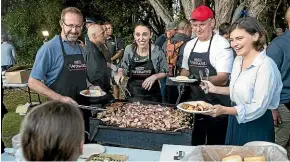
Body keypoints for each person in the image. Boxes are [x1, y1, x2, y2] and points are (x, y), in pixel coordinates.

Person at [201, 17, 283, 146]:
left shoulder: (266, 66)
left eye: (239, 38)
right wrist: (214, 89)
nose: (234, 44)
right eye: (232, 40)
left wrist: (225, 110)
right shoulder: (238, 60)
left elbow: (258, 107)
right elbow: (237, 89)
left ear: (255, 36)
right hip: (236, 120)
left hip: (257, 124)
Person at [28, 7, 96, 135]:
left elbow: (80, 76)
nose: (74, 30)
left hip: (81, 111)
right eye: (70, 25)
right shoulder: (49, 48)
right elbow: (33, 82)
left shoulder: (81, 48)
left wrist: (91, 86)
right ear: (61, 24)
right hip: (59, 113)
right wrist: (60, 98)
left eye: (78, 26)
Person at [180, 5, 234, 145]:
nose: (198, 29)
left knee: (215, 146)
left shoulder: (221, 45)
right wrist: (180, 78)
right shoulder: (189, 45)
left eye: (202, 24)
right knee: (193, 143)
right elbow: (185, 71)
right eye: (195, 25)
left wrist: (200, 80)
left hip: (217, 105)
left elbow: (223, 78)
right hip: (193, 103)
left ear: (212, 23)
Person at [116, 22, 169, 102]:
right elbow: (123, 67)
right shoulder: (129, 50)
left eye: (144, 34)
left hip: (153, 96)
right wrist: (120, 73)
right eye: (138, 34)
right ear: (134, 35)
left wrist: (155, 76)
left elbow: (165, 71)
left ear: (150, 35)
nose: (141, 38)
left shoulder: (157, 51)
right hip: (133, 95)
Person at [267, 7, 290, 153]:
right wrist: (272, 107)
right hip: (283, 103)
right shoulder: (278, 45)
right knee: (279, 146)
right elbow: (267, 78)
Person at [162, 19, 192, 103]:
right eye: (191, 28)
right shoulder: (190, 43)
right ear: (186, 28)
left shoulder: (166, 43)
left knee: (171, 111)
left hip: (169, 82)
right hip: (186, 83)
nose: (192, 31)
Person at [84, 24, 111, 93]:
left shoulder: (95, 48)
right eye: (102, 33)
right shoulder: (92, 51)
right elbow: (95, 75)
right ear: (94, 36)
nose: (105, 35)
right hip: (97, 94)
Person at [104, 22, 125, 99]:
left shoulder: (116, 39)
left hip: (114, 65)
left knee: (115, 84)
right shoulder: (101, 40)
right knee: (105, 85)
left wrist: (111, 59)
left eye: (111, 28)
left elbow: (121, 51)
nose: (110, 30)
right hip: (103, 66)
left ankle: (116, 101)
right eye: (108, 28)